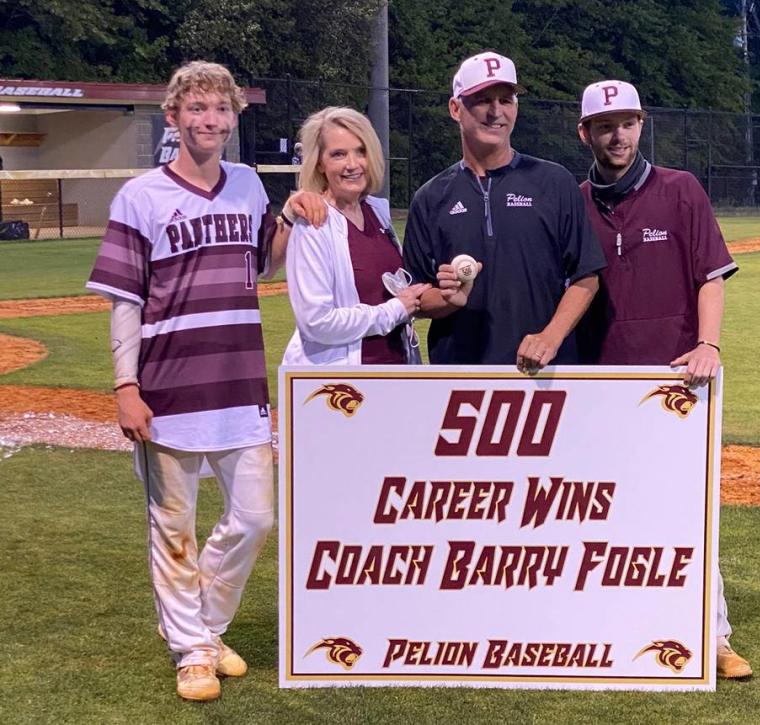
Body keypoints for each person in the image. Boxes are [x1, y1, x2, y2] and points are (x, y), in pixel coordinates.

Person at [85, 61, 324, 701]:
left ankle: (205, 627)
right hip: (166, 391)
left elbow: (263, 269)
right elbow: (125, 301)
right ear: (174, 117)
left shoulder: (247, 186)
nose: (209, 120)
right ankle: (192, 650)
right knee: (173, 528)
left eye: (220, 109)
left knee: (255, 518)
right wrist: (125, 388)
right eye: (196, 109)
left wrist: (293, 220)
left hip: (240, 384)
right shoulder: (140, 196)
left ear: (233, 118)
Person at [576, 80, 750, 679]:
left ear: (641, 124)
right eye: (604, 125)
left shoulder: (680, 190)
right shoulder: (576, 201)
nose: (617, 135)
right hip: (601, 385)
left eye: (626, 122)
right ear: (586, 134)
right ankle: (619, 627)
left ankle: (715, 636)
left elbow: (711, 275)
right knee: (603, 511)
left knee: (688, 510)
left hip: (679, 379)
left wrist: (708, 343)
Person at [403, 51, 605, 370]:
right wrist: (446, 297)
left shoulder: (554, 182)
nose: (496, 111)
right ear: (456, 108)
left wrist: (550, 338)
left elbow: (587, 276)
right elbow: (414, 298)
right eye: (482, 100)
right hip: (462, 376)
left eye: (506, 100)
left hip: (548, 372)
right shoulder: (431, 198)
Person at [282, 107, 429, 366]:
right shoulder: (314, 222)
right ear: (319, 163)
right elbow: (317, 322)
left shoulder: (378, 211)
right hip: (341, 389)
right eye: (338, 154)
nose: (352, 164)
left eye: (360, 151)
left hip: (395, 374)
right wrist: (395, 310)